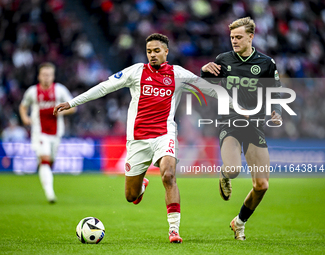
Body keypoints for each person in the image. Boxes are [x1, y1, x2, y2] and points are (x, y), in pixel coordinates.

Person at [54, 33, 237, 243]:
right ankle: (142, 186)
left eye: (157, 51)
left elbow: (211, 90)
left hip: (164, 134)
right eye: (149, 51)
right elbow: (104, 87)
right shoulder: (136, 72)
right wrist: (72, 102)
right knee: (131, 196)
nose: (152, 55)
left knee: (168, 175)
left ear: (166, 52)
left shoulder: (177, 74)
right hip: (137, 140)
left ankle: (174, 230)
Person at [200, 17, 283, 240]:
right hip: (231, 121)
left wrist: (276, 111)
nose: (234, 41)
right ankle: (225, 175)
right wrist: (203, 70)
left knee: (262, 185)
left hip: (255, 125)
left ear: (250, 36)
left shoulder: (266, 63)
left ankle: (239, 222)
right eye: (231, 37)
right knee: (234, 169)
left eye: (238, 37)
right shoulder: (224, 60)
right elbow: (205, 84)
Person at [19, 62, 77, 203]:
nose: (46, 77)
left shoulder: (60, 90)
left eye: (49, 75)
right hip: (39, 132)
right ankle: (50, 194)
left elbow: (73, 107)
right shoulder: (33, 91)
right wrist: (25, 118)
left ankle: (43, 169)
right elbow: (23, 106)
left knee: (50, 161)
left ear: (53, 76)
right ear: (39, 76)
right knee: (45, 160)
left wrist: (62, 111)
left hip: (56, 133)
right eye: (44, 74)